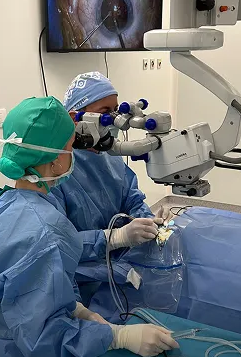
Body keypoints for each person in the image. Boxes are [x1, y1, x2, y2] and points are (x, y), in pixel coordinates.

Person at [0, 97, 179, 357]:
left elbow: (5, 293)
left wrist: (75, 308)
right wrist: (119, 337)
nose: (75, 155)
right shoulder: (45, 230)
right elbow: (44, 340)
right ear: (55, 163)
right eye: (70, 148)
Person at [51, 71, 173, 307]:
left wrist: (147, 221)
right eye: (105, 112)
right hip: (80, 279)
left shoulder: (110, 157)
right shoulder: (58, 169)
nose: (115, 120)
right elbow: (57, 243)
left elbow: (131, 199)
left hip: (120, 266)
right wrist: (117, 237)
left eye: (116, 110)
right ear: (76, 118)